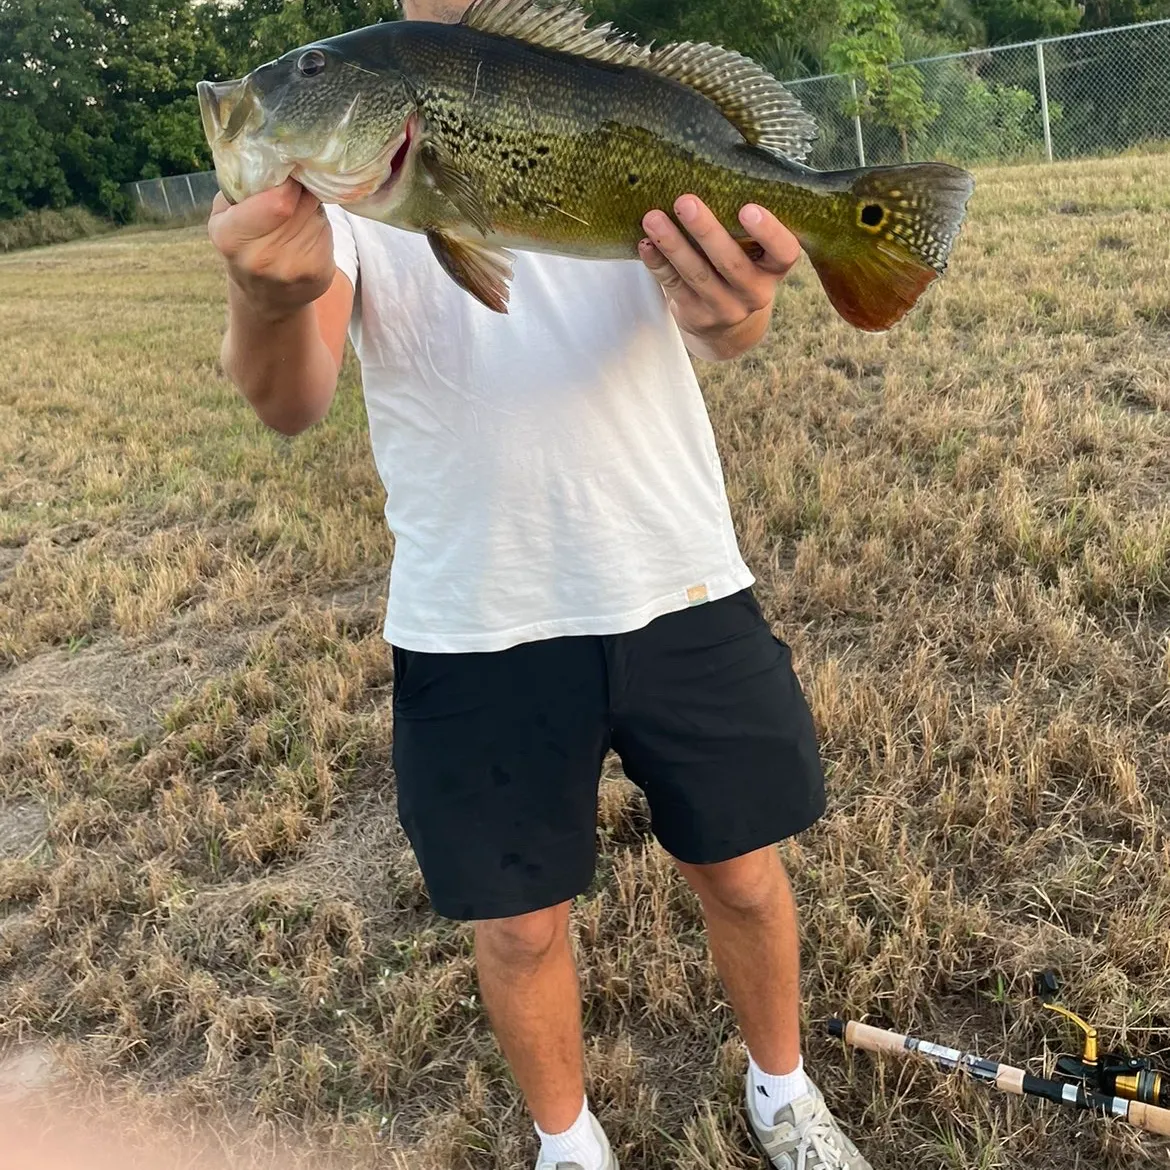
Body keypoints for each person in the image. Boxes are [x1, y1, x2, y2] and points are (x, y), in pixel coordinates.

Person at [206, 3, 872, 1166]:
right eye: (306, 73)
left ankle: (785, 1095)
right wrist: (266, 297)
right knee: (516, 930)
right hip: (477, 612)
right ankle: (569, 1146)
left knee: (748, 874)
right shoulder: (353, 195)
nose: (291, 85)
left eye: (308, 75)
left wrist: (748, 300)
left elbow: (728, 331)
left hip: (676, 574)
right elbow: (289, 398)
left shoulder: (586, 75)